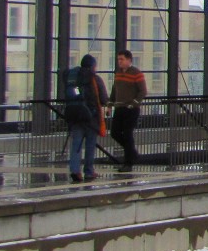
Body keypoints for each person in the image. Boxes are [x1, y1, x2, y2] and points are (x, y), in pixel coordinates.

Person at [61, 54, 108, 182]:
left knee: (76, 144)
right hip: (90, 117)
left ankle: (75, 170)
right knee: (90, 144)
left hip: (74, 115)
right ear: (93, 66)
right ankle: (89, 171)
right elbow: (103, 99)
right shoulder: (95, 79)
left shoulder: (72, 78)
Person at [111, 49, 148, 172]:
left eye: (121, 59)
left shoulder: (136, 73)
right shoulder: (118, 73)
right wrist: (111, 103)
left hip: (131, 109)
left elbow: (143, 91)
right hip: (119, 107)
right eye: (118, 59)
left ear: (129, 60)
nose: (119, 62)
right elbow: (115, 89)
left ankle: (128, 162)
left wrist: (135, 103)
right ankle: (132, 152)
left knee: (127, 134)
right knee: (114, 132)